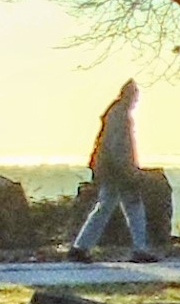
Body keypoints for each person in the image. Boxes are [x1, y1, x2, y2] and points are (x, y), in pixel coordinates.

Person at [65, 78, 157, 260]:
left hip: (111, 169)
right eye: (135, 97)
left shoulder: (115, 113)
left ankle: (80, 247)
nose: (135, 101)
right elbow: (119, 148)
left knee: (105, 207)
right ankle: (140, 249)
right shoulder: (120, 117)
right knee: (134, 207)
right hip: (117, 170)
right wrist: (129, 170)